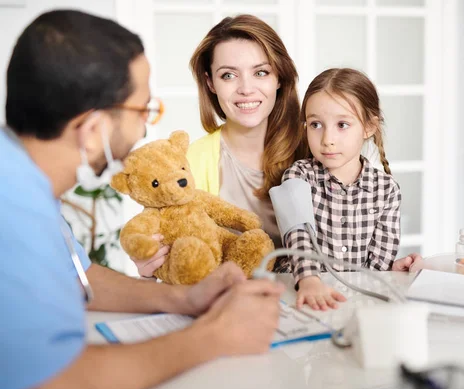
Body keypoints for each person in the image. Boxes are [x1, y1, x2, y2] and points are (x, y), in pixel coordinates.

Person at [0, 10, 283, 389]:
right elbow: (49, 388)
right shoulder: (10, 210)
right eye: (142, 111)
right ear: (93, 129)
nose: (144, 130)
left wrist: (181, 298)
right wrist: (213, 337)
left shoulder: (21, 180)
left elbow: (78, 277)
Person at [132, 15, 419, 278]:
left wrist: (381, 267)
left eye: (260, 72)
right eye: (228, 75)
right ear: (210, 83)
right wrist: (149, 268)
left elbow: (344, 233)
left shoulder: (317, 144)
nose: (246, 88)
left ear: (279, 77)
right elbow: (178, 263)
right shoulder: (189, 162)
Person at [278, 68, 420, 311]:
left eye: (342, 124)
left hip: (353, 302)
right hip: (299, 293)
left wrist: (391, 270)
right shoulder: (298, 176)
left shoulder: (387, 191)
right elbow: (298, 236)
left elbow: (377, 266)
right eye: (316, 124)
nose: (327, 139)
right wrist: (309, 280)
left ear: (369, 127)